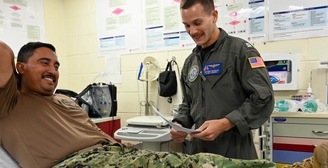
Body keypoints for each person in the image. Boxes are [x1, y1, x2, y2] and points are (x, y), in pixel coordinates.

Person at [0, 41, 276, 168]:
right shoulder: (10, 101)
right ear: (19, 68)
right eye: (44, 63)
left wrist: (117, 144)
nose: (53, 70)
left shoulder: (66, 101)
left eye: (57, 65)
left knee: (197, 163)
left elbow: (91, 134)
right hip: (75, 163)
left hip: (112, 154)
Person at [170, 0, 274, 160]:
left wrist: (225, 123)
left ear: (214, 16)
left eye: (197, 23)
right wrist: (179, 123)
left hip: (234, 153)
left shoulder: (240, 52)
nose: (193, 31)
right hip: (199, 154)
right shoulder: (191, 62)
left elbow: (263, 98)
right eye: (187, 25)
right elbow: (189, 103)